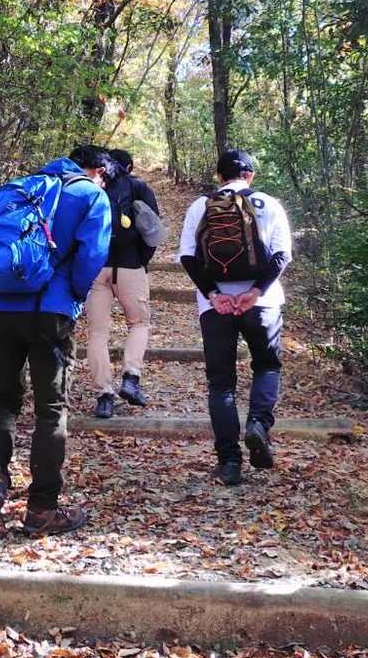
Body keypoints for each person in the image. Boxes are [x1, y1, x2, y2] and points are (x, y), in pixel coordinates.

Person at [0, 145, 112, 534]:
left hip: (1, 307)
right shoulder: (89, 194)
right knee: (51, 408)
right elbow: (93, 255)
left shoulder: (21, 187)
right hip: (51, 311)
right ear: (97, 171)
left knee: (4, 398)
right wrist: (75, 295)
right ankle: (42, 509)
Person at [178, 149, 292, 486]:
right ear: (250, 175)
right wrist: (255, 292)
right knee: (267, 366)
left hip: (216, 308)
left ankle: (229, 462)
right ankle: (258, 424)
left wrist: (214, 295)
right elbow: (282, 255)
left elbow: (187, 257)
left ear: (219, 176)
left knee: (221, 383)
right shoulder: (269, 203)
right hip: (264, 303)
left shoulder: (201, 206)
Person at [85, 147, 163, 418]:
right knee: (139, 323)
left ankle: (104, 395)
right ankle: (131, 377)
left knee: (97, 333)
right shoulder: (138, 187)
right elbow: (153, 230)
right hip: (130, 265)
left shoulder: (92, 186)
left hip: (97, 267)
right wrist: (141, 260)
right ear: (128, 168)